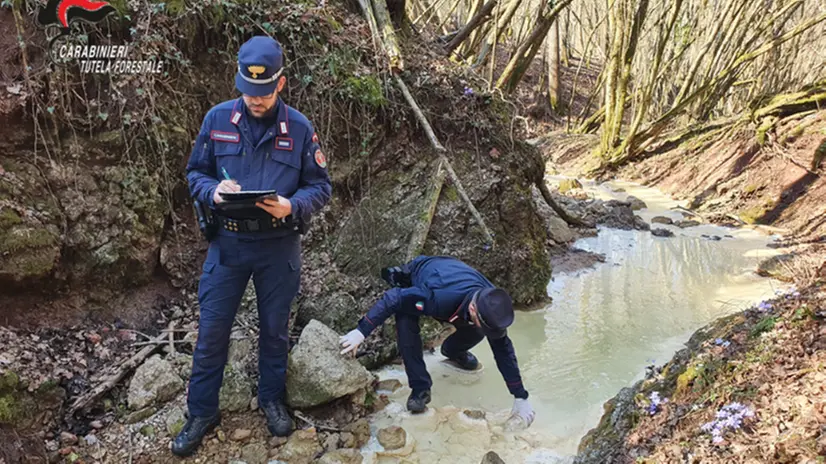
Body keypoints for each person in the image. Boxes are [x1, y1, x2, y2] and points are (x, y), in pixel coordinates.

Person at [173, 35, 332, 457]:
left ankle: (271, 400)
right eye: (247, 90)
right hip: (227, 246)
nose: (254, 100)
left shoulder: (299, 128)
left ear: (280, 83)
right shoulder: (217, 119)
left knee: (275, 334)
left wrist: (292, 206)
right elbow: (195, 174)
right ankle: (202, 412)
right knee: (211, 335)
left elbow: (321, 187)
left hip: (279, 249)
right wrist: (214, 193)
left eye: (262, 92)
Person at [339, 255, 535, 425]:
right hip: (425, 277)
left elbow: (503, 350)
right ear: (474, 309)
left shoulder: (491, 302)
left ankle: (452, 352)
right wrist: (360, 332)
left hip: (453, 275)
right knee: (406, 323)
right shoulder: (437, 298)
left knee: (479, 331)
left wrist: (520, 396)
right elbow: (393, 298)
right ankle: (420, 389)